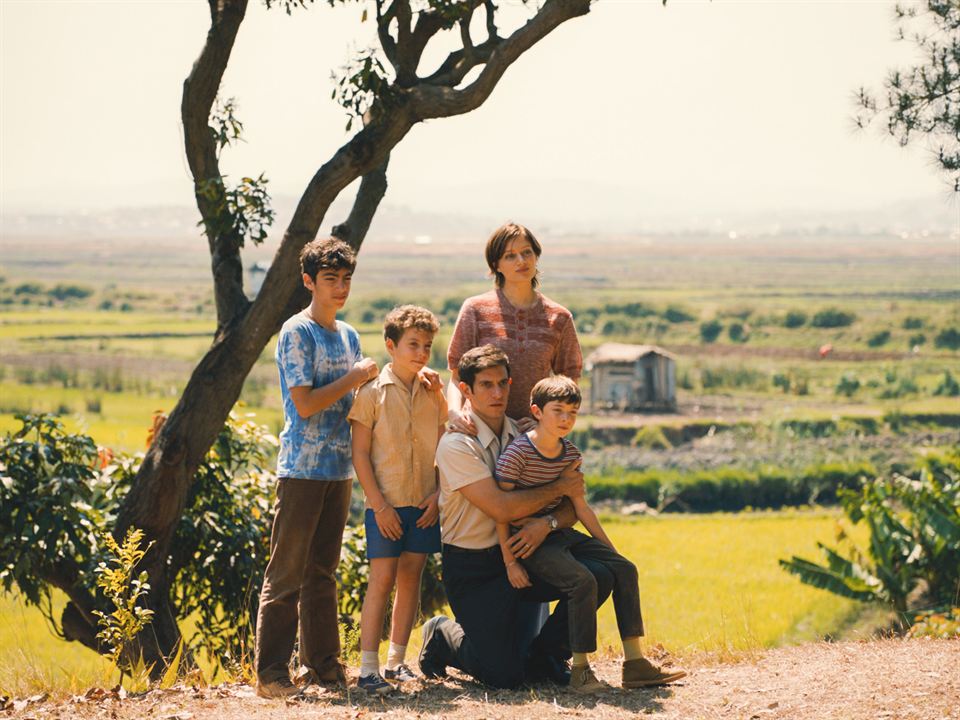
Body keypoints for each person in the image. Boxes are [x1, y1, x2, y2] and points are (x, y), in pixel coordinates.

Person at [418, 345, 613, 689]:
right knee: (503, 676)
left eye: (503, 384)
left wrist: (547, 523)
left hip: (526, 554)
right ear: (465, 390)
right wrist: (557, 488)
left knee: (601, 574)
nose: (497, 393)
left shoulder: (526, 437)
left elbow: (572, 502)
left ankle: (546, 656)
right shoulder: (456, 445)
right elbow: (501, 508)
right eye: (486, 385)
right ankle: (441, 634)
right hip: (474, 567)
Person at [495, 375, 686, 692]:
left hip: (559, 533)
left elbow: (581, 509)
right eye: (558, 411)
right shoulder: (517, 454)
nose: (566, 419)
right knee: (582, 580)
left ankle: (635, 663)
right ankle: (580, 671)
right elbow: (500, 512)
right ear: (537, 411)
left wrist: (611, 552)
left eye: (572, 413)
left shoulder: (570, 454)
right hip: (529, 543)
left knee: (625, 569)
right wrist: (509, 561)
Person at [254, 237, 379, 699]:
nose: (341, 288)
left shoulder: (348, 335)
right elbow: (304, 404)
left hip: (339, 468)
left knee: (323, 572)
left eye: (346, 279)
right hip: (302, 468)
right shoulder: (296, 332)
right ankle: (271, 675)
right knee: (286, 573)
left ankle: (324, 666)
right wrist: (355, 376)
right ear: (309, 281)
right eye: (331, 280)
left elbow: (358, 398)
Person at [348, 305, 447, 695]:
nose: (421, 352)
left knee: (411, 579)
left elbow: (445, 446)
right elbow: (359, 454)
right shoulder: (370, 393)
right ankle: (367, 669)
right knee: (382, 580)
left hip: (423, 505)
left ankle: (396, 662)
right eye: (412, 344)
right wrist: (379, 506)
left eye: (427, 345)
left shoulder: (432, 392)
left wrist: (438, 496)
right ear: (391, 345)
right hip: (384, 505)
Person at [446, 222, 582, 431]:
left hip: (531, 439)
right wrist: (454, 413)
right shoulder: (475, 310)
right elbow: (457, 376)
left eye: (527, 252)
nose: (521, 261)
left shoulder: (559, 318)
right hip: (479, 432)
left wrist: (543, 423)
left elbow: (569, 382)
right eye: (510, 256)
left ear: (536, 257)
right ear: (496, 265)